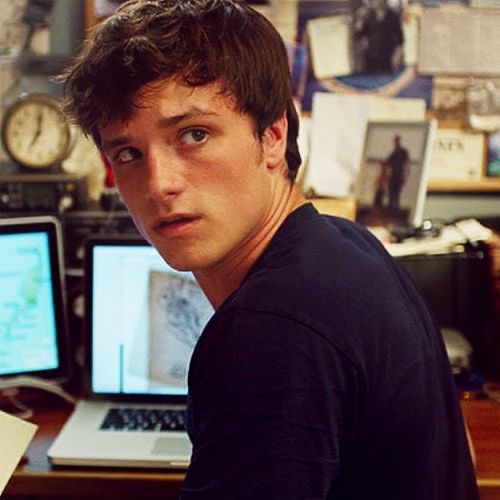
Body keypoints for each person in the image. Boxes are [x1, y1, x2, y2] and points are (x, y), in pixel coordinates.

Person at [60, 0, 478, 497]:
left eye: (194, 134)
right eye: (127, 153)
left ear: (273, 135)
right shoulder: (344, 243)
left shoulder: (270, 327)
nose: (159, 184)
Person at [353, 0, 404, 74]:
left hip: (387, 55)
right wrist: (359, 21)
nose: (377, 2)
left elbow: (400, 38)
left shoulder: (393, 16)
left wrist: (397, 54)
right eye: (374, 1)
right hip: (371, 55)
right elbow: (359, 34)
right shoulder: (367, 15)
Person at [386, 134, 410, 211]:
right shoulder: (393, 152)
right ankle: (390, 208)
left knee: (397, 193)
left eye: (397, 141)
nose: (396, 143)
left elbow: (407, 164)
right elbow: (388, 162)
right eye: (395, 141)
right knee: (391, 193)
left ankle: (395, 208)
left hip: (399, 175)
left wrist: (406, 175)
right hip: (393, 175)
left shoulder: (403, 152)